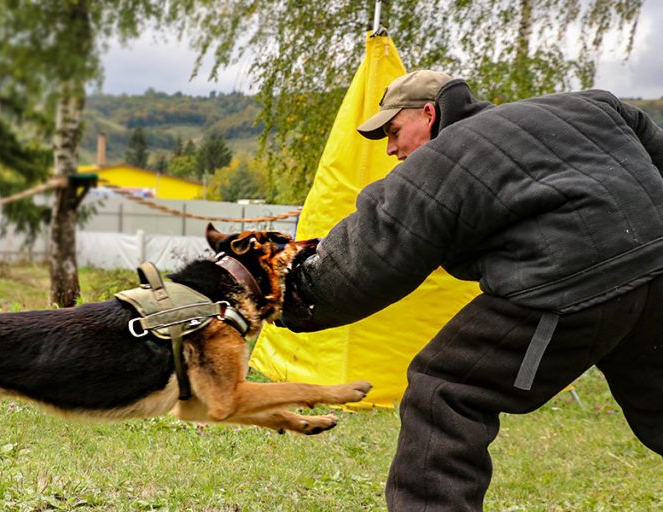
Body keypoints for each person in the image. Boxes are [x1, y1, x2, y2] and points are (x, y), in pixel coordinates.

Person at [278, 69, 663, 511]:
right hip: (657, 268)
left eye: (394, 130)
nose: (390, 148)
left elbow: (373, 253)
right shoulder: (590, 105)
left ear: (429, 113)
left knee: (444, 389)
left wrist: (285, 297)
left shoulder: (445, 158)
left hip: (566, 286)